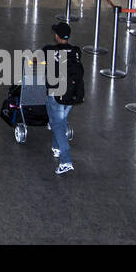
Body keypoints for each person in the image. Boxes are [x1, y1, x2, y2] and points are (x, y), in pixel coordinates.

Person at [42, 22, 82, 175]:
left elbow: (35, 60)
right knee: (61, 121)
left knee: (57, 124)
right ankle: (56, 147)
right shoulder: (76, 51)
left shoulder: (49, 50)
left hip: (56, 93)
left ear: (56, 36)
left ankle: (66, 161)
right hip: (71, 94)